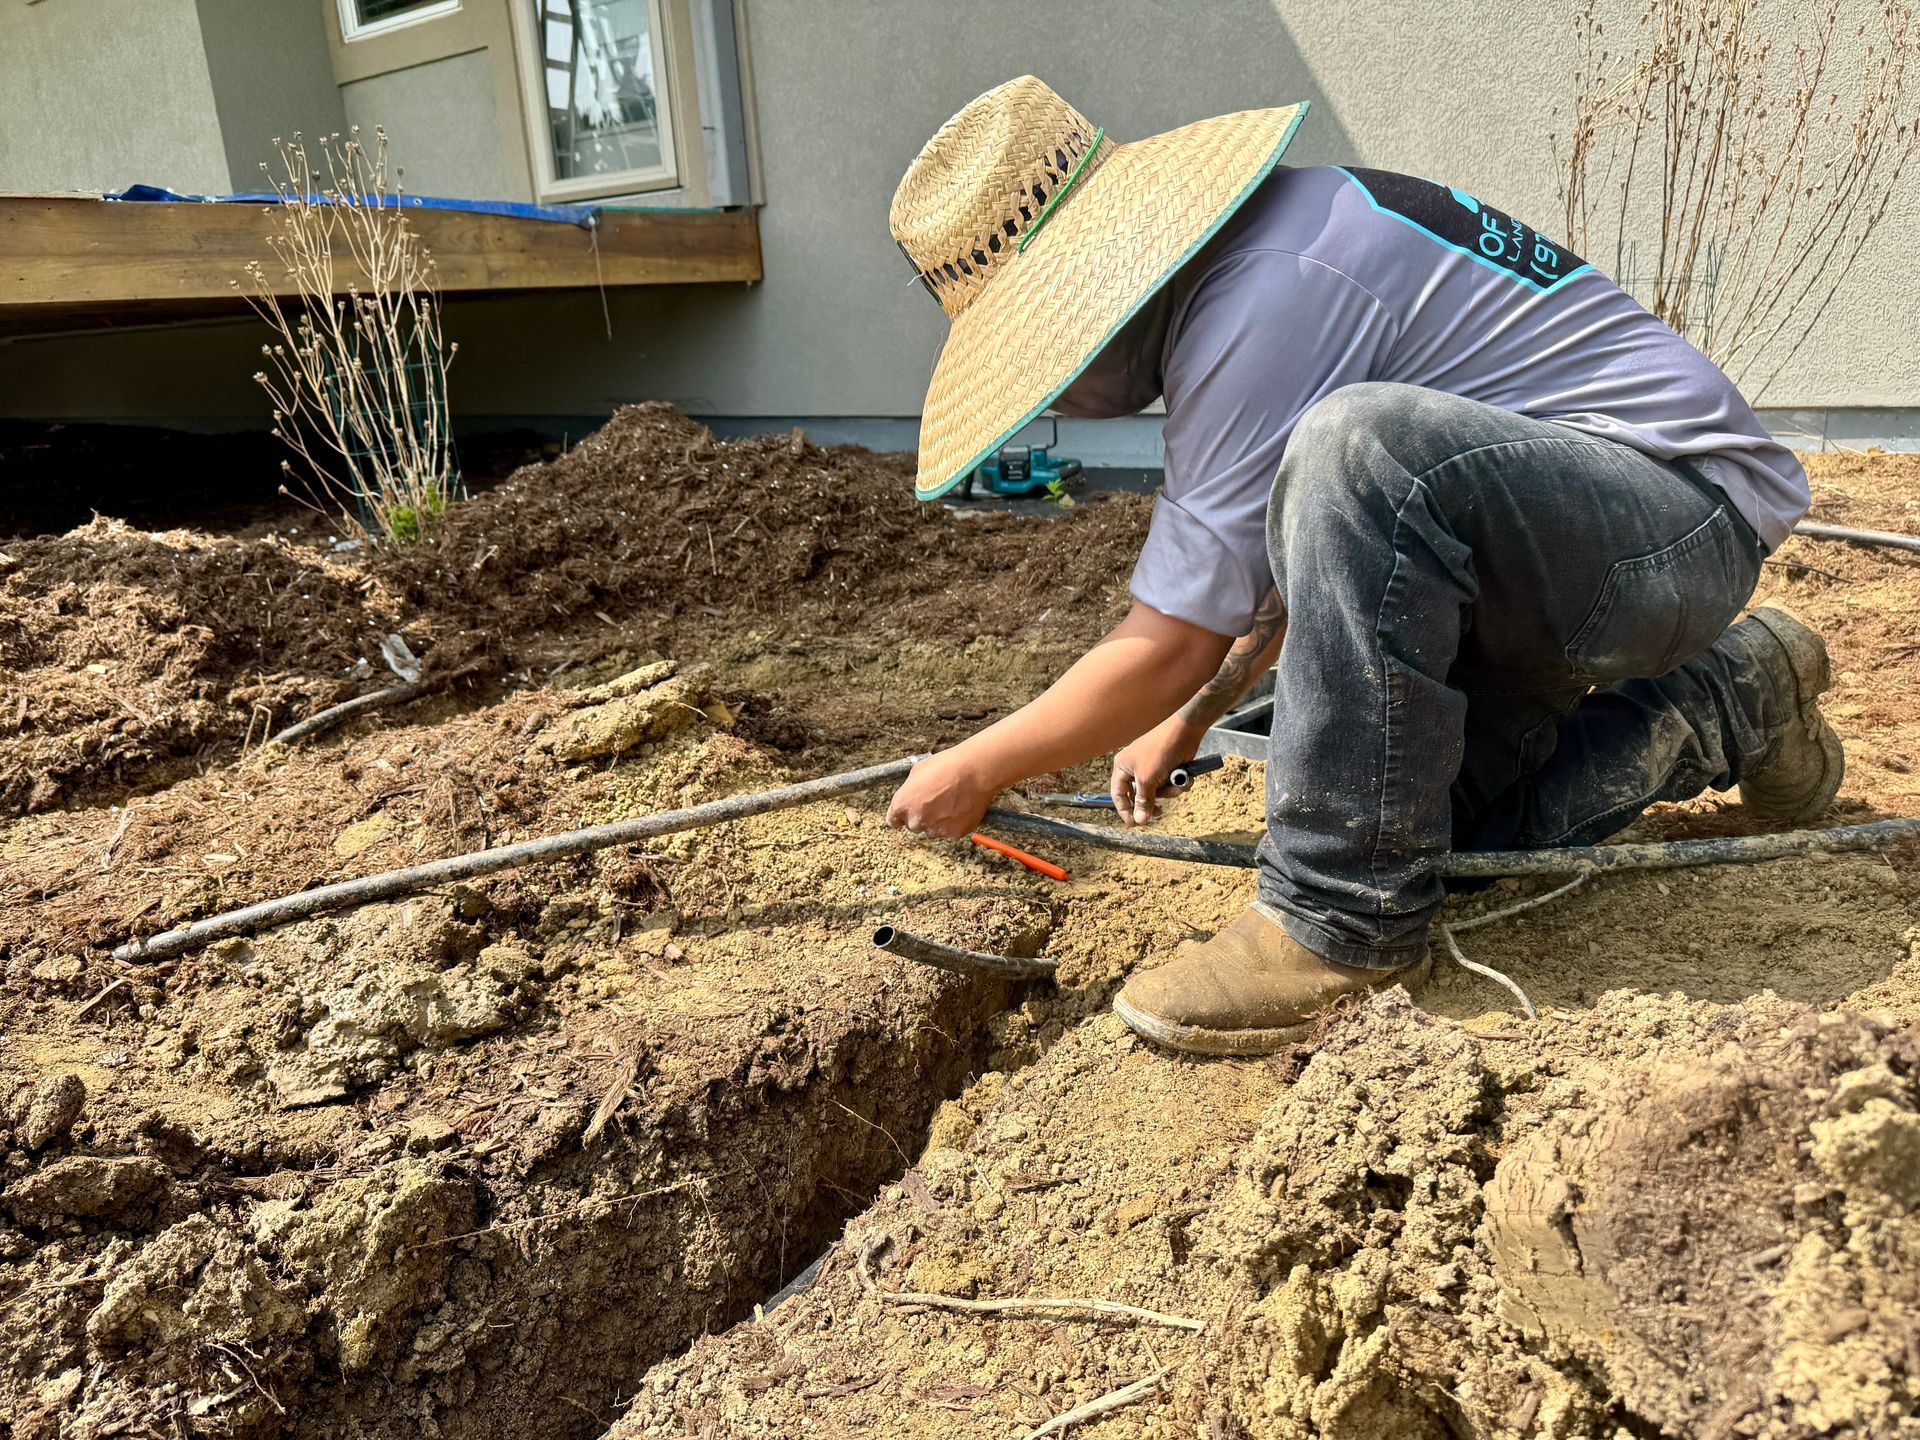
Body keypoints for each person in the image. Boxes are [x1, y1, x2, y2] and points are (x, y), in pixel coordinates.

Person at [882, 77, 1842, 1055]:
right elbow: (1305, 559)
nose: (1067, 394)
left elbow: (1176, 635)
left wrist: (975, 766)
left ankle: (1337, 924)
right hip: (1559, 552)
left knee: (1357, 447)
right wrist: (1191, 716)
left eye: (1054, 362)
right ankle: (1736, 694)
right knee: (1428, 837)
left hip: (1673, 520)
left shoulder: (1267, 293)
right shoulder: (1257, 261)